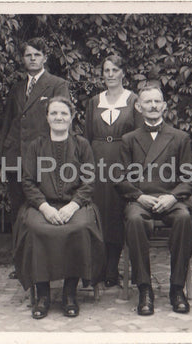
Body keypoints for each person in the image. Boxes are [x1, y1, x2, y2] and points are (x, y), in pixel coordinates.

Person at [13, 96, 105, 319]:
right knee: (37, 229)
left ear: (72, 117)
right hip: (42, 204)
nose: (59, 117)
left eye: (63, 113)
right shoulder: (36, 146)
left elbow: (89, 181)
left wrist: (72, 206)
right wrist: (45, 208)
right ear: (47, 117)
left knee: (80, 227)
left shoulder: (82, 145)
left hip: (75, 205)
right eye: (54, 113)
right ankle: (43, 294)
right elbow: (28, 181)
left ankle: (69, 293)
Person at [116, 83, 192, 315]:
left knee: (184, 218)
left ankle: (177, 289)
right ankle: (144, 289)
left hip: (171, 200)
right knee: (135, 220)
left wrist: (172, 197)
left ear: (164, 106)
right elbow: (119, 178)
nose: (152, 106)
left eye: (156, 101)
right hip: (140, 201)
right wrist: (139, 196)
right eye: (147, 102)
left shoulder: (180, 138)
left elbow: (188, 178)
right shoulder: (129, 139)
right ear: (139, 107)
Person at [0, 37, 69, 279]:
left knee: (42, 207)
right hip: (16, 158)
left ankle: (45, 262)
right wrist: (3, 158)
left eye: (37, 55)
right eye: (28, 55)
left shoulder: (57, 85)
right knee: (18, 209)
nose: (32, 59)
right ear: (23, 58)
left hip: (44, 159)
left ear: (45, 58)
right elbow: (7, 125)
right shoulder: (17, 88)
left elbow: (62, 123)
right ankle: (21, 264)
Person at [84, 54, 143, 288]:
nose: (110, 75)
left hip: (123, 159)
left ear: (122, 73)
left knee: (118, 211)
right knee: (98, 210)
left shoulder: (133, 100)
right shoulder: (93, 101)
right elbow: (87, 136)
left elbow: (140, 136)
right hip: (97, 160)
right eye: (106, 70)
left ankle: (112, 269)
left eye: (114, 70)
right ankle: (96, 269)